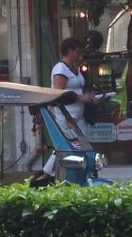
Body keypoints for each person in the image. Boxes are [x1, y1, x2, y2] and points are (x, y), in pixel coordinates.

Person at [33, 37, 95, 185]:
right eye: (77, 51)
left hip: (78, 115)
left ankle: (82, 170)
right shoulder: (60, 69)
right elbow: (59, 92)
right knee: (67, 146)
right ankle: (47, 173)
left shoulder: (74, 68)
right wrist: (81, 98)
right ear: (68, 51)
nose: (79, 54)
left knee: (83, 142)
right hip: (66, 115)